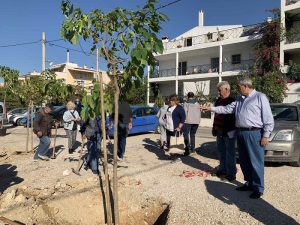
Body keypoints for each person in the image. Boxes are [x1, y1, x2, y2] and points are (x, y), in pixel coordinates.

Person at [202, 77, 274, 199]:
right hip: (241, 133)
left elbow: (268, 118)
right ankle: (249, 183)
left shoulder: (260, 97)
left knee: (256, 162)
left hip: (254, 132)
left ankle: (258, 187)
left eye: (239, 86)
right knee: (244, 161)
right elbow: (226, 109)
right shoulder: (240, 100)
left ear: (245, 86)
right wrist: (210, 108)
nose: (237, 89)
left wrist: (266, 135)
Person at [212, 81, 236, 181]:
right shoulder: (218, 100)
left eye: (220, 90)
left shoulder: (232, 100)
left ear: (226, 89)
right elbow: (216, 115)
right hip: (219, 130)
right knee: (221, 151)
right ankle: (222, 169)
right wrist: (214, 127)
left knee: (230, 153)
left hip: (229, 131)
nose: (218, 93)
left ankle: (231, 173)